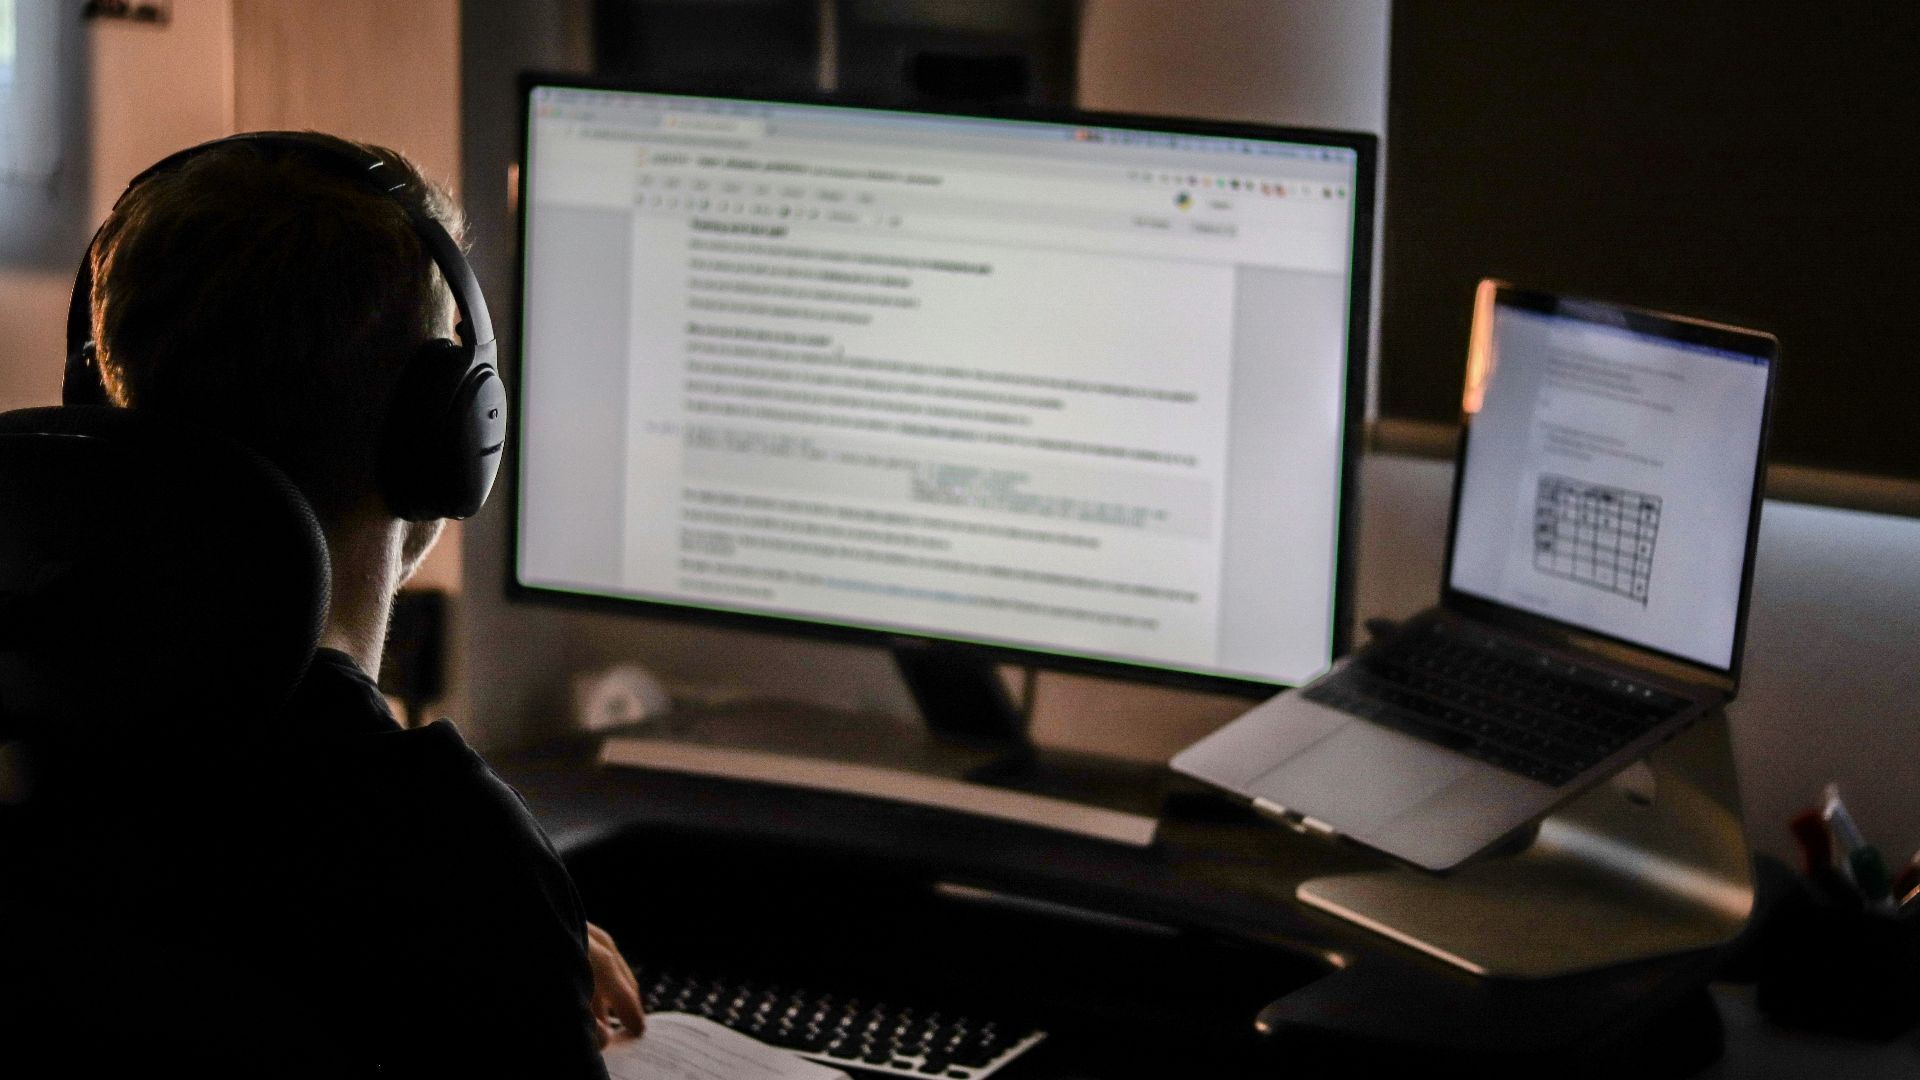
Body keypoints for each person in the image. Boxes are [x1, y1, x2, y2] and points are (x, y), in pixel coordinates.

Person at [6, 133, 644, 1076]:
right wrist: (516, 945)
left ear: (101, 404)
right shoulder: (445, 861)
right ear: (449, 437)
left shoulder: (39, 750)